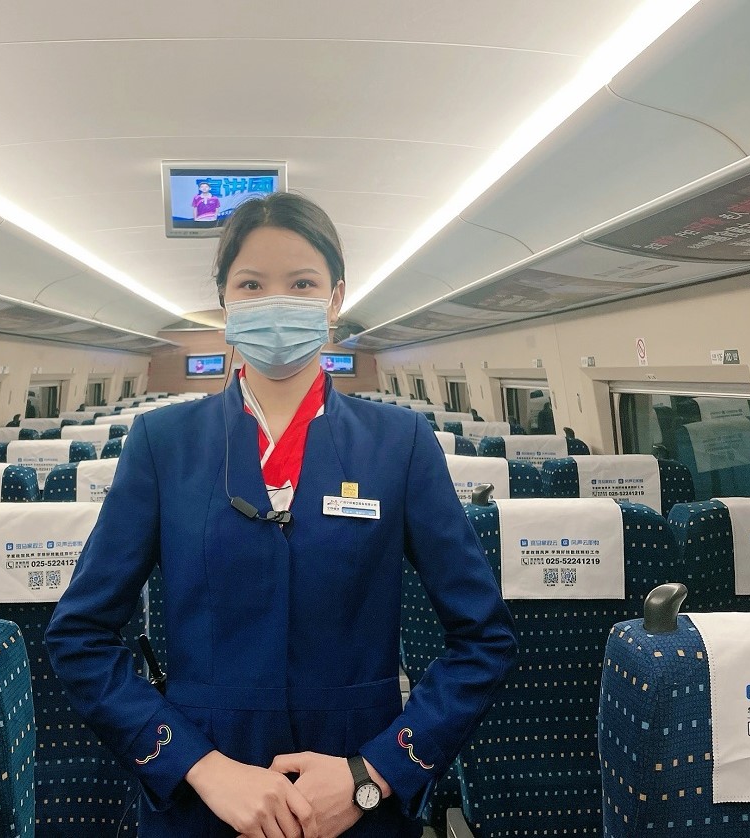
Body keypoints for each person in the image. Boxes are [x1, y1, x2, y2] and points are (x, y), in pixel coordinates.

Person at [46, 192, 517, 837]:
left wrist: (374, 774)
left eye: (301, 284)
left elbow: (484, 639)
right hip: (203, 808)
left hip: (358, 809)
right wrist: (200, 767)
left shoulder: (400, 443)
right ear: (225, 301)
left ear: (335, 299)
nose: (275, 301)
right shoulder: (163, 443)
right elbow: (80, 637)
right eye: (251, 284)